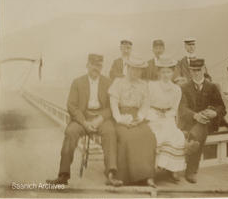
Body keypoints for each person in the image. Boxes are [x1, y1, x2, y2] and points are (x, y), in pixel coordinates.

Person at [46, 54, 122, 186]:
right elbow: (71, 105)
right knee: (70, 132)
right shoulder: (77, 82)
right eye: (93, 65)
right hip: (82, 118)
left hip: (101, 118)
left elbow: (112, 106)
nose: (96, 68)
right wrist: (84, 122)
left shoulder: (108, 82)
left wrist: (100, 118)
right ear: (87, 65)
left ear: (101, 67)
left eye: (99, 65)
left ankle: (111, 174)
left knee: (110, 133)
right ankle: (63, 175)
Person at [108, 58, 157, 187]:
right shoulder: (118, 82)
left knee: (149, 136)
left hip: (137, 116)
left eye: (139, 70)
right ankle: (125, 177)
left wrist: (140, 117)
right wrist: (120, 119)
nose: (136, 72)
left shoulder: (143, 85)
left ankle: (147, 176)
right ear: (128, 68)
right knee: (127, 138)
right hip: (121, 116)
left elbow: (146, 104)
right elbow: (113, 104)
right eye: (133, 69)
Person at [178, 58, 226, 184]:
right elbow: (182, 108)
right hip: (190, 121)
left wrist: (214, 112)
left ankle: (191, 170)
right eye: (193, 70)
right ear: (190, 71)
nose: (196, 73)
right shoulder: (184, 87)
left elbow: (222, 107)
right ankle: (189, 154)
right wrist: (195, 116)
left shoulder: (212, 87)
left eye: (199, 70)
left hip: (207, 122)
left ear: (204, 69)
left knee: (199, 129)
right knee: (196, 129)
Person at [146, 58, 185, 182]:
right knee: (157, 136)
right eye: (163, 72)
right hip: (152, 115)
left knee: (177, 135)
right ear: (158, 73)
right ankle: (151, 172)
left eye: (168, 72)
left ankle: (172, 169)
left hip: (167, 117)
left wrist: (166, 114)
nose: (166, 75)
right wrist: (154, 114)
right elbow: (145, 104)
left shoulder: (176, 89)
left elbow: (174, 109)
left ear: (173, 73)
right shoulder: (151, 86)